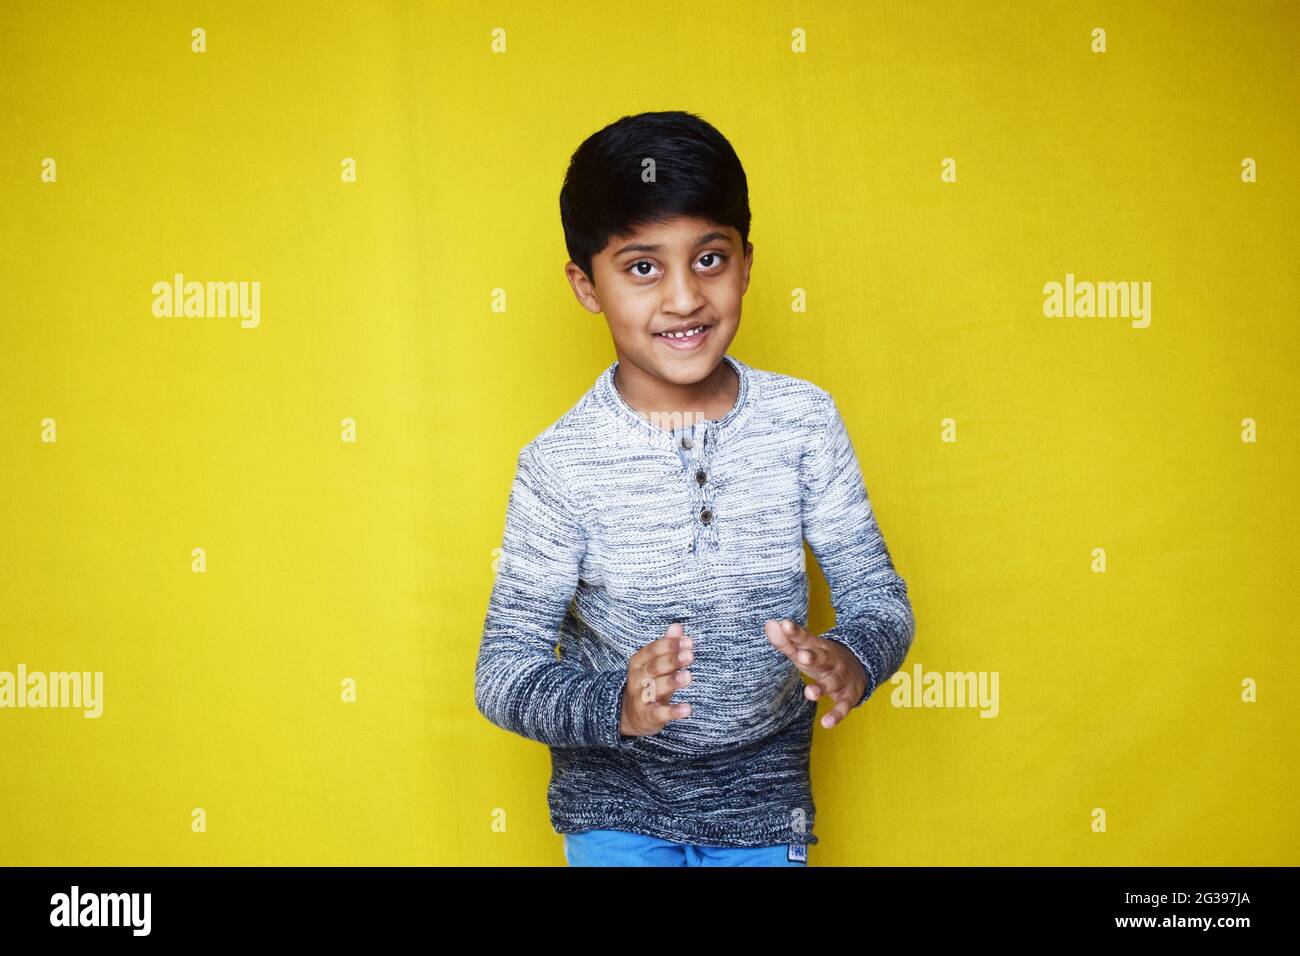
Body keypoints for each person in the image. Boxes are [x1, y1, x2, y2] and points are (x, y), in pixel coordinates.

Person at [473, 110, 915, 866]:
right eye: (643, 268)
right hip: (615, 803)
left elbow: (880, 600)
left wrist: (852, 656)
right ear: (587, 285)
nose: (684, 299)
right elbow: (503, 672)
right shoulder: (559, 464)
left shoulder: (803, 423)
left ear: (746, 262)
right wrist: (614, 703)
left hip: (760, 802)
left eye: (709, 258)